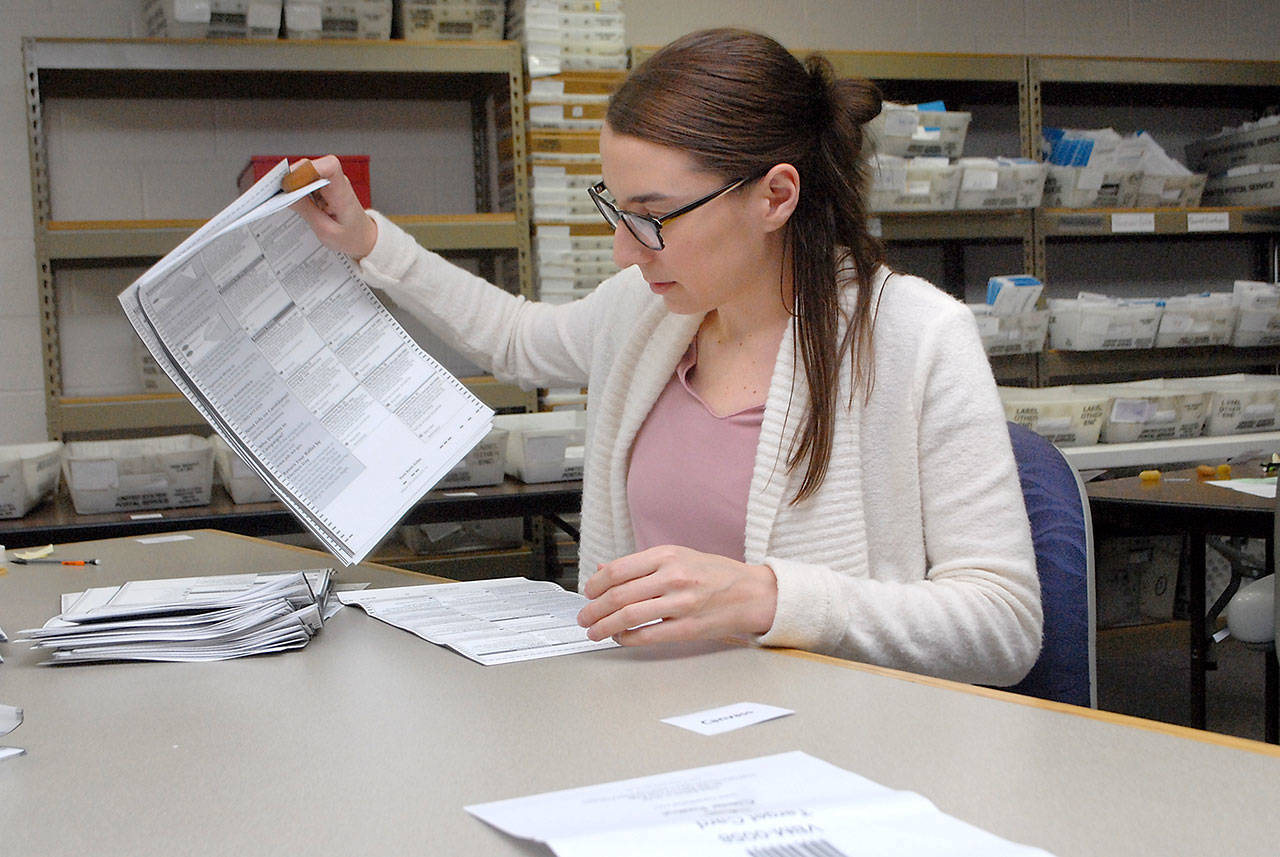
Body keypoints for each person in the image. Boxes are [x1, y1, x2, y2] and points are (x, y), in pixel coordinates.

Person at [292, 28, 1043, 686]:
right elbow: (518, 338)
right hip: (651, 727)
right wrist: (368, 243)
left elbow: (1003, 625)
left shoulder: (917, 339)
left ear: (776, 196)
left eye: (652, 217)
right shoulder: (649, 313)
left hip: (843, 749)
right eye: (616, 210)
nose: (624, 250)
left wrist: (770, 598)